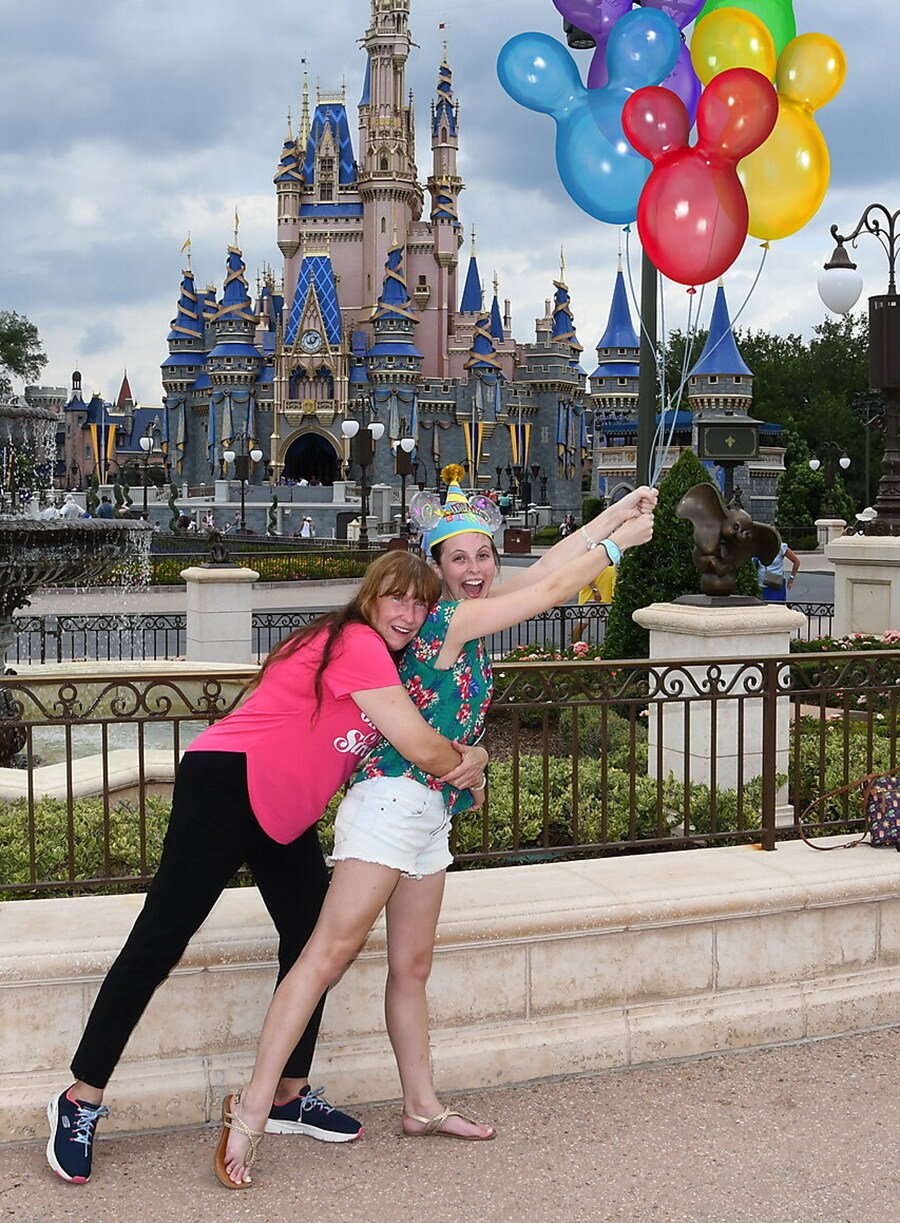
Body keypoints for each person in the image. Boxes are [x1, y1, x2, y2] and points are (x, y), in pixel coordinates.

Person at [217, 473, 656, 1187]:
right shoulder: (448, 620)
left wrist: (616, 510)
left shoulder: (478, 614)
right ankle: (251, 1110)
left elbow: (546, 567)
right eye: (460, 559)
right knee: (324, 955)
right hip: (391, 801)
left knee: (411, 967)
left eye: (485, 555)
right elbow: (550, 590)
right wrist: (616, 547)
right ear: (438, 567)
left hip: (430, 812)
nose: (477, 569)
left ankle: (420, 1105)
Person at [45, 552, 488, 1186]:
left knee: (312, 940)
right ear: (370, 597)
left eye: (421, 604)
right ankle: (79, 1097)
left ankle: (287, 1094)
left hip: (285, 811)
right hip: (227, 787)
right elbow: (420, 746)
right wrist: (467, 767)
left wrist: (472, 750)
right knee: (162, 936)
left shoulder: (385, 662)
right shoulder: (356, 640)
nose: (409, 614)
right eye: (396, 598)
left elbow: (406, 733)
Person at [570, 562, 616, 644]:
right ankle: (574, 646)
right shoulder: (594, 561)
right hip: (590, 598)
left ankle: (610, 646)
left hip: (607, 598)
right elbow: (587, 575)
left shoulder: (610, 563)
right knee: (583, 623)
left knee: (611, 624)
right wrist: (595, 590)